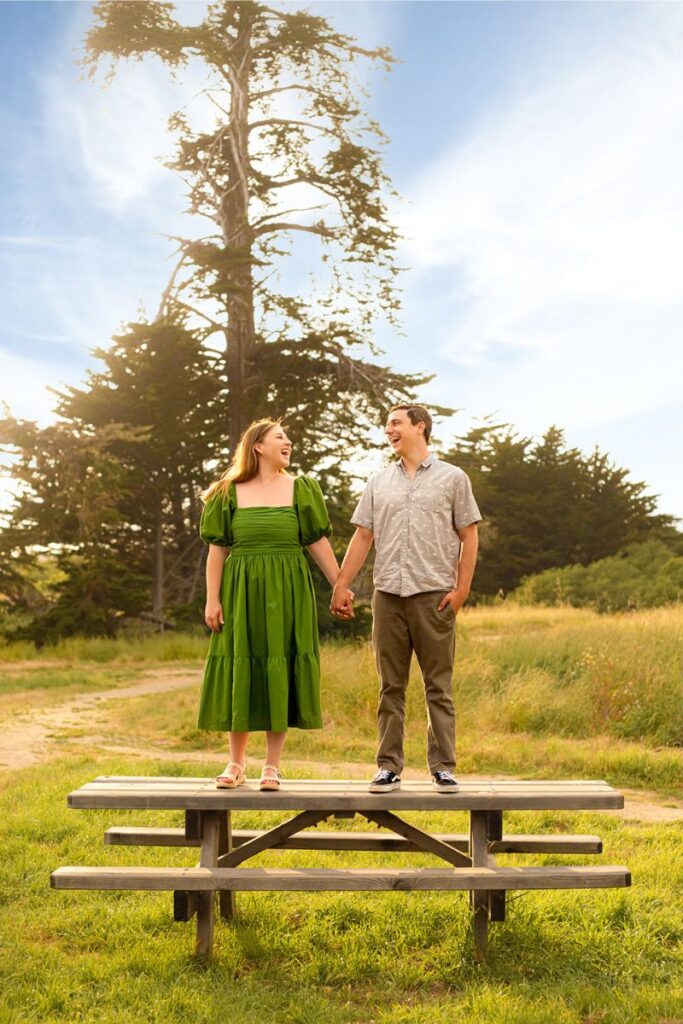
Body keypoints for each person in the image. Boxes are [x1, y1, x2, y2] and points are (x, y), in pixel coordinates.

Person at [330, 404, 481, 793]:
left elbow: (469, 536)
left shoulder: (453, 478)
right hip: (388, 597)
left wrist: (461, 590)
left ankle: (443, 766)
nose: (388, 430)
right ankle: (388, 766)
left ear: (420, 427)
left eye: (395, 423)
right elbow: (363, 537)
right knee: (390, 687)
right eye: (386, 425)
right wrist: (342, 583)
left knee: (438, 687)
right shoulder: (378, 482)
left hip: (434, 597)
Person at [198, 417, 347, 791]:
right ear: (258, 446)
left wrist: (340, 586)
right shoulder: (227, 492)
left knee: (279, 664)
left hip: (288, 591)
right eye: (280, 437)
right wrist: (212, 599)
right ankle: (235, 763)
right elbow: (218, 551)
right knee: (240, 666)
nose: (289, 442)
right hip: (240, 592)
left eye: (289, 438)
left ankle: (272, 765)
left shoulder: (302, 489)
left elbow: (317, 543)